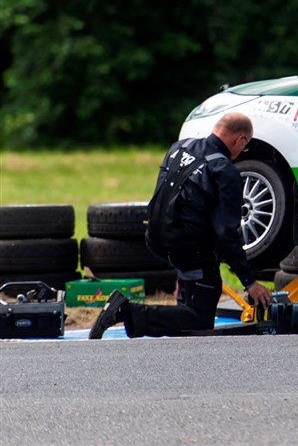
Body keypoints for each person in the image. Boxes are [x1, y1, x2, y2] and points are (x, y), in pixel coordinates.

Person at [90, 113, 272, 339]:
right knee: (199, 321)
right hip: (187, 247)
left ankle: (180, 314)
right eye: (243, 147)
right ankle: (124, 311)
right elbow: (227, 234)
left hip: (156, 238)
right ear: (240, 140)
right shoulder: (224, 170)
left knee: (192, 299)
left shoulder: (180, 147)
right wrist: (249, 282)